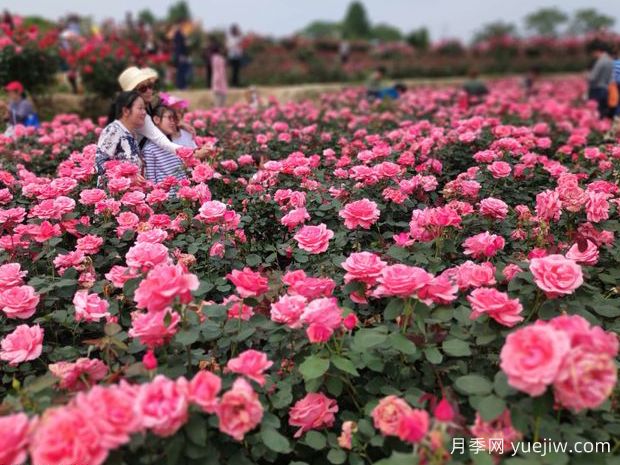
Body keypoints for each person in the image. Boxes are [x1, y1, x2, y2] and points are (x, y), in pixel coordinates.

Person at [117, 66, 200, 156]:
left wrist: (179, 123)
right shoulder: (139, 115)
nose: (150, 91)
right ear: (132, 94)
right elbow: (161, 140)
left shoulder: (148, 105)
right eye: (143, 88)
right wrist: (193, 154)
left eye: (150, 86)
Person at [95, 91, 146, 185]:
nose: (144, 112)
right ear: (126, 111)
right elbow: (100, 164)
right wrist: (127, 180)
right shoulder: (113, 130)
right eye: (140, 108)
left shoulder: (131, 134)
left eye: (144, 108)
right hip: (114, 196)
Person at [143, 104, 188, 185]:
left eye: (174, 119)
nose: (173, 122)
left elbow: (182, 174)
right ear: (156, 119)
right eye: (169, 118)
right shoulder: (149, 150)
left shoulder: (172, 144)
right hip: (167, 197)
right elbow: (151, 182)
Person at [587, 40, 614, 118]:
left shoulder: (600, 61)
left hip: (597, 89)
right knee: (604, 112)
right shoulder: (610, 60)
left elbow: (592, 77)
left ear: (597, 51)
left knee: (596, 114)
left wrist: (586, 74)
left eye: (593, 52)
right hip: (606, 89)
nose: (593, 55)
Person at [173, 22, 190, 89]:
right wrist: (180, 55)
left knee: (182, 70)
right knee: (181, 71)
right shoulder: (178, 34)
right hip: (181, 55)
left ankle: (181, 85)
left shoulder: (180, 34)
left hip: (182, 55)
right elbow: (179, 46)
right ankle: (181, 85)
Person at [211, 41, 228, 107]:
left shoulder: (214, 58)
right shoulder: (221, 59)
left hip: (217, 84)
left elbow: (217, 72)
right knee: (221, 105)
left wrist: (216, 82)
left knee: (217, 104)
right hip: (222, 84)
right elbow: (221, 72)